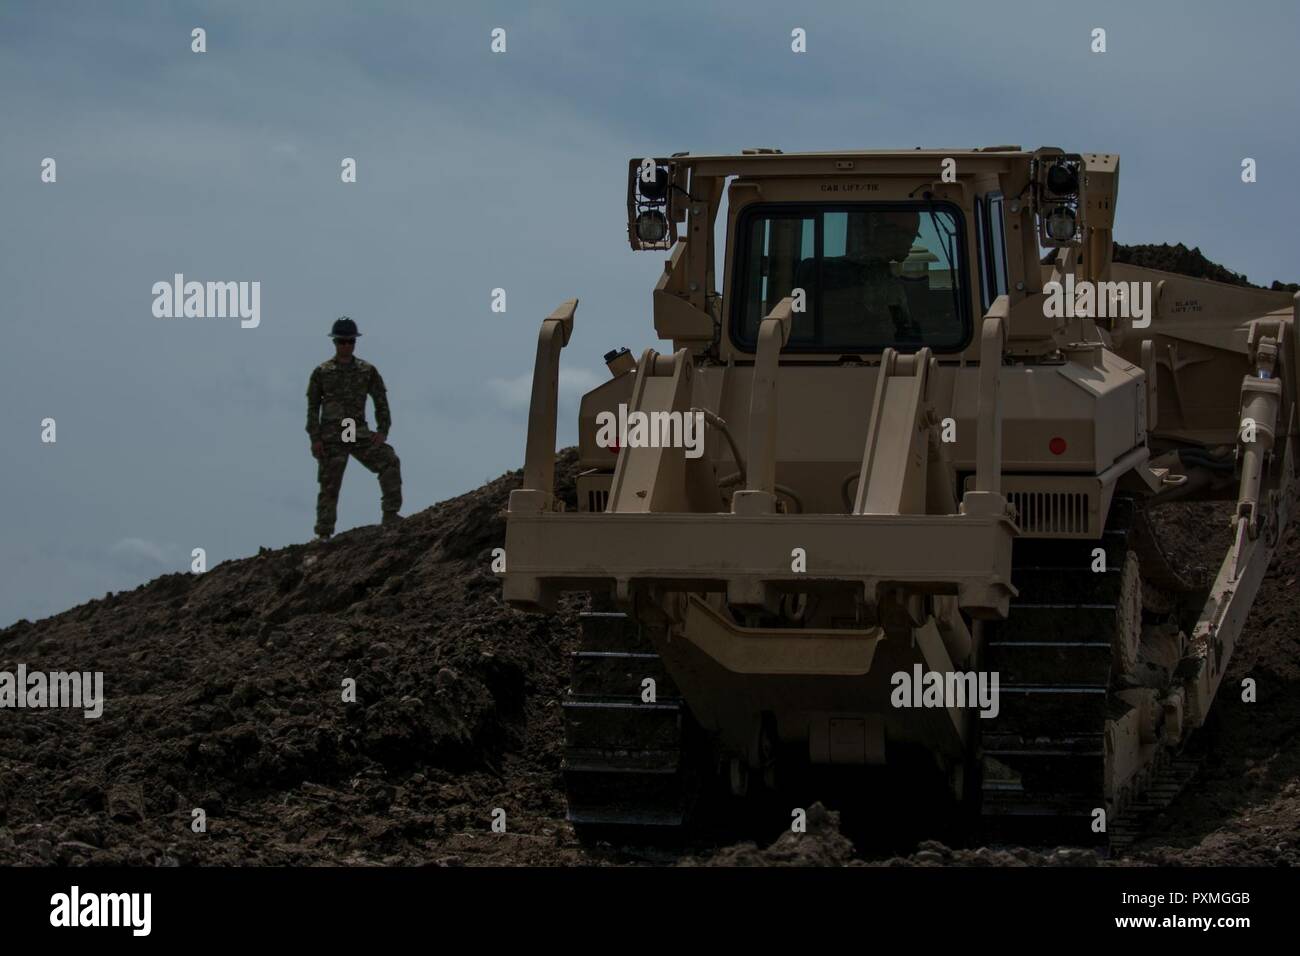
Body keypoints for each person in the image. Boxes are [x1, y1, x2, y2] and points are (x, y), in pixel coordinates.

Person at [306, 317, 402, 541]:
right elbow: (312, 407)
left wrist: (383, 429)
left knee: (389, 460)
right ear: (335, 343)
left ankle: (390, 515)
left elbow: (380, 399)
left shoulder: (366, 371)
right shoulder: (322, 372)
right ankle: (324, 534)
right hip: (331, 436)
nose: (346, 346)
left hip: (358, 433)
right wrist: (315, 438)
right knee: (329, 485)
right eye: (342, 341)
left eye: (350, 341)